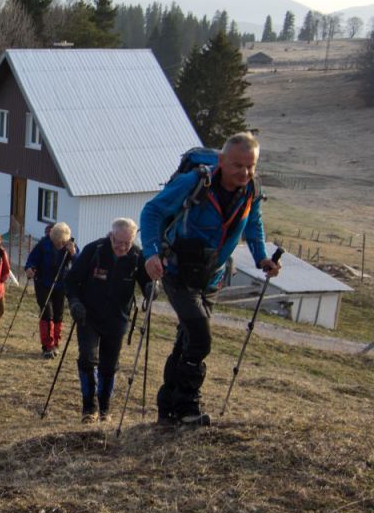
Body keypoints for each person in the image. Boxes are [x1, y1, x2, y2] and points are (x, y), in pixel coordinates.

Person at [140, 132, 281, 427]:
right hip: (177, 272)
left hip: (211, 277)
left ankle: (168, 409)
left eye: (250, 166)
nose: (244, 172)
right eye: (237, 165)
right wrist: (151, 254)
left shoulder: (251, 190)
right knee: (200, 338)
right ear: (222, 161)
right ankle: (189, 405)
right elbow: (152, 211)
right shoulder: (195, 182)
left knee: (187, 340)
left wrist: (262, 257)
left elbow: (253, 225)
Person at [65, 218, 152, 424]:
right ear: (111, 235)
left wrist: (151, 289)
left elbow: (148, 283)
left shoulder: (137, 255)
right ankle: (89, 408)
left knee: (109, 365)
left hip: (117, 319)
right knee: (87, 358)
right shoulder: (93, 250)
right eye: (119, 242)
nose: (123, 247)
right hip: (88, 315)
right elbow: (70, 281)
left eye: (127, 243)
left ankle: (104, 408)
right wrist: (75, 303)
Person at [25, 222, 77, 358]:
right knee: (47, 313)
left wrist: (73, 253)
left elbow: (80, 264)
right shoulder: (43, 244)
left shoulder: (70, 246)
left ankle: (55, 344)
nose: (59, 245)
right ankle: (47, 346)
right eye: (56, 242)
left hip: (61, 285)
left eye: (61, 243)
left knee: (58, 314)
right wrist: (29, 269)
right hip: (43, 283)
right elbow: (31, 260)